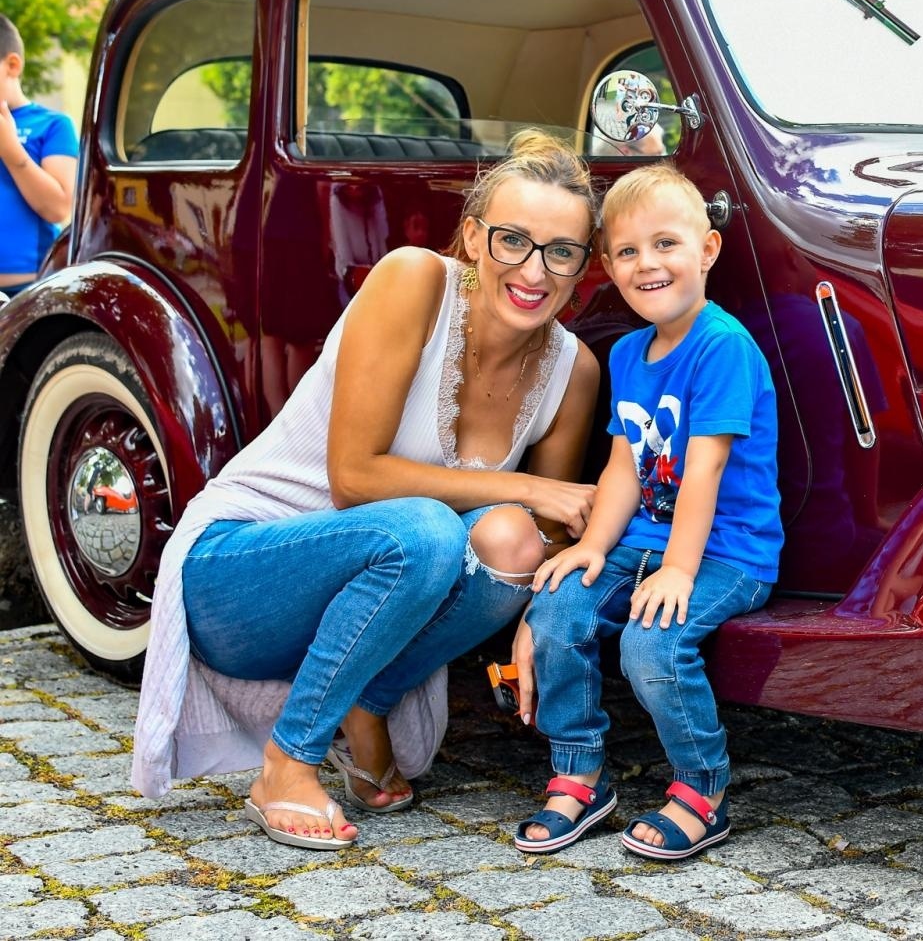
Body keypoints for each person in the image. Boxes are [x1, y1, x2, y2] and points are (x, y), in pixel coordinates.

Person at [131, 130, 601, 851]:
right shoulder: (414, 280)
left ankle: (367, 701)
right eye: (512, 240)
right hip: (237, 575)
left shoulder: (573, 372)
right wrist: (531, 483)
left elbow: (554, 531)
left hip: (374, 592)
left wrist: (542, 611)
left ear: (582, 265)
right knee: (428, 530)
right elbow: (354, 478)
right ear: (474, 238)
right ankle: (288, 764)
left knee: (515, 538)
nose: (533, 270)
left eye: (560, 251)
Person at [512, 163, 782, 860]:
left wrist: (680, 572)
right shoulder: (630, 352)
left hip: (726, 552)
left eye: (666, 244)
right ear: (608, 265)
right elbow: (626, 462)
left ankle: (702, 788)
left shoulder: (721, 347)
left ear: (708, 250)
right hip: (644, 540)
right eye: (628, 252)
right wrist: (594, 546)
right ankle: (579, 773)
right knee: (558, 608)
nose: (647, 264)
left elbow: (706, 468)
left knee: (650, 644)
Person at [0, 14, 76, 296]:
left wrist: (10, 150)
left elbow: (58, 208)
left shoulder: (53, 125)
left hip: (27, 292)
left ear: (12, 65)